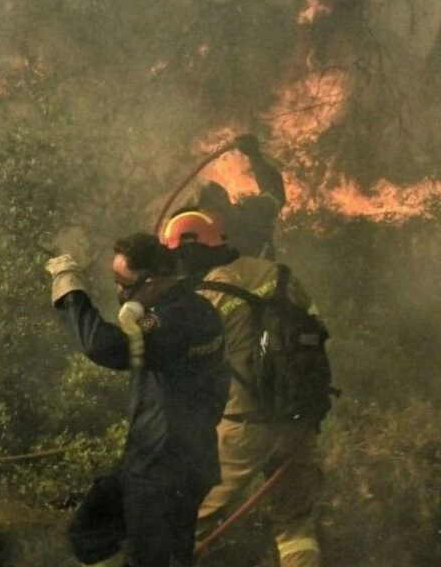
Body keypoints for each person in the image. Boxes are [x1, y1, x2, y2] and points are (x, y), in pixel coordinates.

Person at [45, 232, 229, 567]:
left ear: (153, 281)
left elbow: (103, 346)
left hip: (169, 469)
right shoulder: (181, 308)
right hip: (148, 460)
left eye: (123, 283)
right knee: (86, 535)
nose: (118, 291)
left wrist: (71, 292)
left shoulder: (181, 319)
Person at [159, 210, 325, 567]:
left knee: (186, 518)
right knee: (295, 524)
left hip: (242, 426)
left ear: (187, 252)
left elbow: (179, 362)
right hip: (298, 419)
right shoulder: (280, 275)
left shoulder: (204, 297)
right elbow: (318, 330)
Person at [190, 134, 286, 260]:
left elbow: (274, 192)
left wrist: (255, 157)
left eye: (210, 211)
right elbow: (275, 192)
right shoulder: (200, 246)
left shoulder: (252, 213)